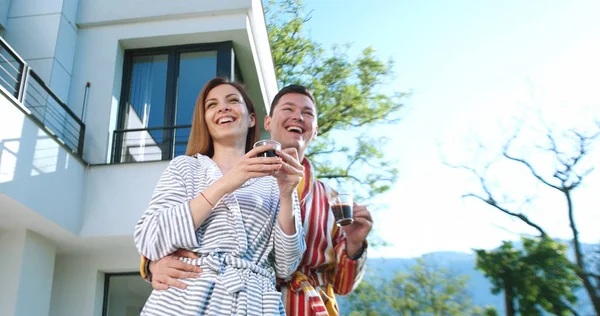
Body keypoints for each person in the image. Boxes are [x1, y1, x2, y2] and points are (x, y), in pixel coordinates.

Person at [140, 84, 373, 316]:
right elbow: (155, 236)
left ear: (316, 129)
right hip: (194, 297)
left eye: (308, 113)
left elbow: (298, 267)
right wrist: (151, 264)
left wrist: (353, 245)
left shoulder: (331, 200)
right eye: (288, 109)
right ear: (266, 122)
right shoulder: (188, 167)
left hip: (277, 304)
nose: (298, 117)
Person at [134, 77, 306, 315]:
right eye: (211, 105)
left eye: (233, 100)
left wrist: (287, 195)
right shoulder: (184, 168)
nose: (223, 107)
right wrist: (226, 183)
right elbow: (149, 239)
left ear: (252, 118)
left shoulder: (275, 180)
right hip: (185, 299)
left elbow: (286, 265)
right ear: (204, 120)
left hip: (256, 303)